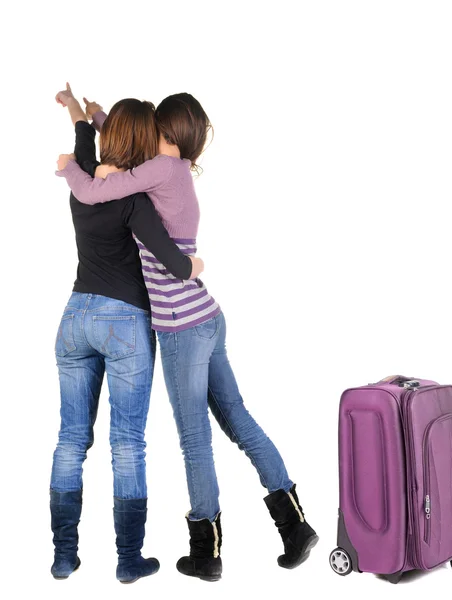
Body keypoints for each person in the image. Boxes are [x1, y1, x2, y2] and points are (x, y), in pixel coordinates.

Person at [57, 91, 318, 582]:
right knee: (238, 418)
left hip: (181, 326)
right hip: (207, 315)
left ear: (167, 135)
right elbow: (126, 137)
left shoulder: (161, 169)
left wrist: (71, 164)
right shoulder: (171, 170)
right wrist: (92, 114)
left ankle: (206, 550)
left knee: (195, 440)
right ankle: (295, 525)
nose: (148, 134)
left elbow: (92, 191)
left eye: (155, 126)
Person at [51, 84, 204, 584]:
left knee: (71, 441)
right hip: (125, 323)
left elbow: (81, 138)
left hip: (75, 316)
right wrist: (193, 264)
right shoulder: (136, 200)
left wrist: (80, 109)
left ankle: (63, 556)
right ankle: (128, 559)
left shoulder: (82, 179)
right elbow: (172, 261)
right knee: (127, 444)